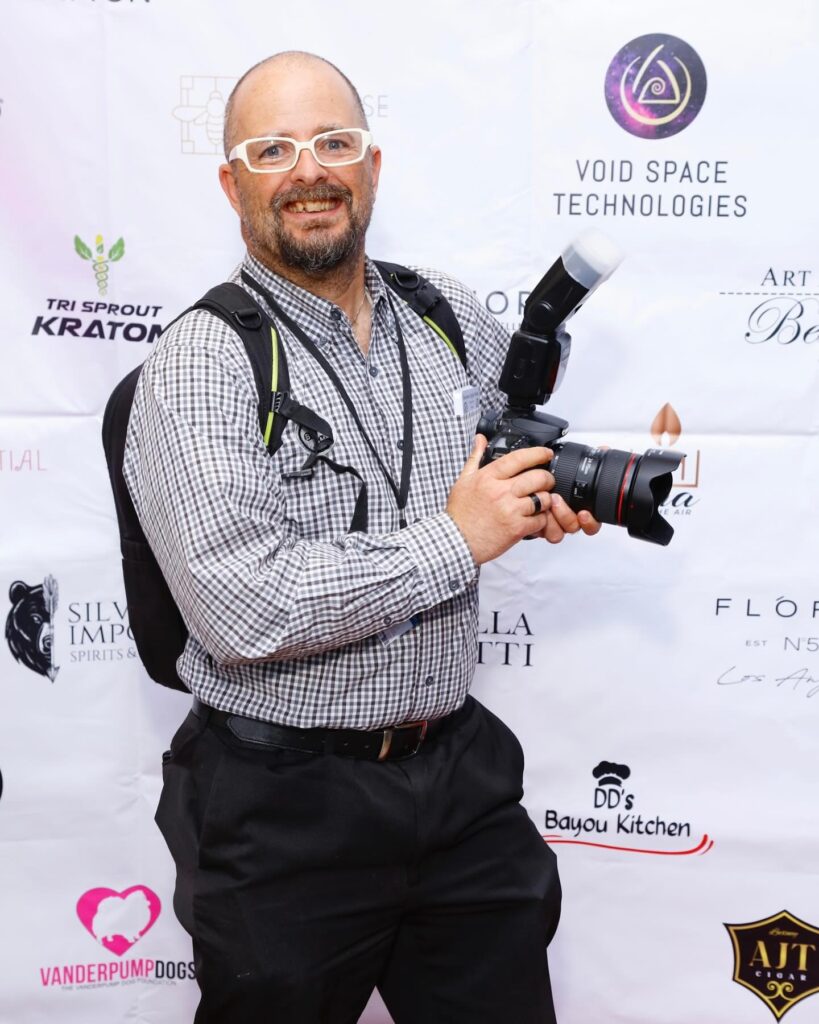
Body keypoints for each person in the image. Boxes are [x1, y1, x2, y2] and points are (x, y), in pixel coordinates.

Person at [124, 50, 600, 1024]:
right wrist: (457, 538)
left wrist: (535, 497)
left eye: (335, 142)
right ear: (233, 182)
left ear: (371, 167)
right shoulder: (199, 363)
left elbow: (501, 457)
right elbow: (239, 605)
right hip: (280, 809)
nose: (310, 170)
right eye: (275, 148)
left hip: (457, 779)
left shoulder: (445, 314)